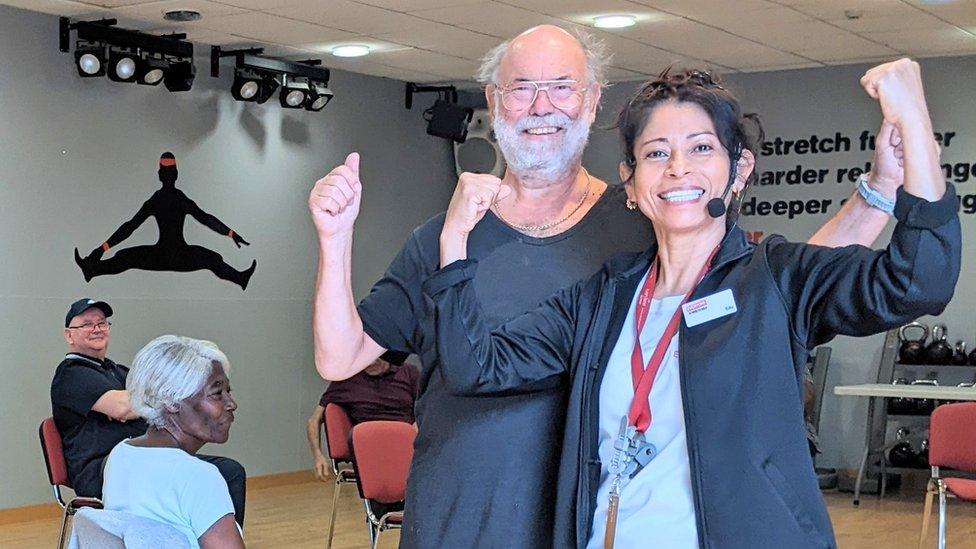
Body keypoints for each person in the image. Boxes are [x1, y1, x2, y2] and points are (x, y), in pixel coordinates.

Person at [308, 25, 903, 547]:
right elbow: (340, 357)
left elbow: (773, 286)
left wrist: (878, 190)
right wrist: (335, 240)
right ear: (494, 102)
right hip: (458, 521)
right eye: (521, 88)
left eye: (563, 86)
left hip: (587, 521)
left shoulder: (650, 216)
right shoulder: (446, 238)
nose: (543, 106)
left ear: (592, 102)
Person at [423, 59, 960, 548]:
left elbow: (918, 281)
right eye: (656, 153)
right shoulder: (604, 297)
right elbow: (477, 367)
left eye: (701, 148)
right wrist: (454, 243)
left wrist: (913, 122)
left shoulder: (776, 279)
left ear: (739, 169)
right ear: (630, 182)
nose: (678, 168)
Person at [50, 298, 247, 526]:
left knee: (228, 471)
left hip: (143, 457)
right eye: (86, 324)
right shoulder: (71, 375)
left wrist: (152, 397)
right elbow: (123, 407)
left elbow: (141, 402)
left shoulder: (117, 371)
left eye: (102, 323)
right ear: (69, 335)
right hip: (104, 467)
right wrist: (166, 395)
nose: (96, 329)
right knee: (201, 475)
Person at [101, 335, 243, 549]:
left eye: (228, 392)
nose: (231, 404)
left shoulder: (120, 454)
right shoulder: (199, 476)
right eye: (216, 394)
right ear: (172, 401)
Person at [74, 152, 257, 290]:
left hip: (162, 256)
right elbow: (205, 218)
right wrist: (230, 233)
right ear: (175, 174)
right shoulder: (178, 199)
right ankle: (239, 278)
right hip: (181, 256)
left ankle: (93, 269)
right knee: (211, 258)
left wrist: (102, 249)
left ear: (160, 174)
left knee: (125, 257)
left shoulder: (158, 199)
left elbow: (130, 227)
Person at [305, 350, 418, 482]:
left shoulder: (409, 373)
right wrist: (318, 456)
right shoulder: (347, 380)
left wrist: (418, 425)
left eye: (375, 357)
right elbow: (313, 420)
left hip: (406, 440)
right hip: (369, 445)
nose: (371, 362)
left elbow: (428, 407)